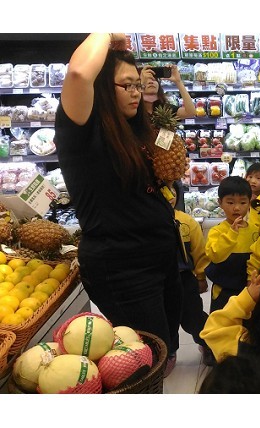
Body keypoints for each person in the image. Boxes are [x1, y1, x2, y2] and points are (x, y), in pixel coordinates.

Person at [54, 33, 182, 373]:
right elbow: (79, 73)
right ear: (100, 89)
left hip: (159, 258)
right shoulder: (82, 130)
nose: (136, 92)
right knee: (144, 363)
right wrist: (110, 34)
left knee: (165, 349)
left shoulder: (133, 129)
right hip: (124, 267)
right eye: (127, 85)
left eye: (138, 85)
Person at [167, 182, 214, 367]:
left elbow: (199, 251)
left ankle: (207, 343)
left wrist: (201, 276)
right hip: (159, 281)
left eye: (172, 191)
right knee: (165, 318)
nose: (168, 196)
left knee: (193, 316)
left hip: (184, 278)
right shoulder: (147, 221)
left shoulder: (187, 221)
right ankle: (168, 353)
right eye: (162, 191)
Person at [204, 176, 258, 314]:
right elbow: (215, 256)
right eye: (230, 202)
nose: (236, 208)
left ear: (249, 202)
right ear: (220, 203)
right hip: (223, 292)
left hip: (248, 290)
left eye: (243, 202)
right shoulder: (217, 231)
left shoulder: (255, 231)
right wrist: (232, 234)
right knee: (222, 324)